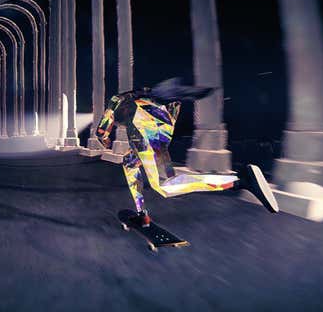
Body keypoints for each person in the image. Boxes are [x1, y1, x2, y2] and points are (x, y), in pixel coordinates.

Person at [96, 78, 278, 227]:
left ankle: (240, 180)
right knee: (130, 162)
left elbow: (101, 132)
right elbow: (173, 105)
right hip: (160, 129)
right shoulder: (141, 94)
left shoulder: (115, 101)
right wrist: (164, 132)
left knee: (165, 186)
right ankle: (142, 214)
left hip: (143, 132)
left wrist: (105, 142)